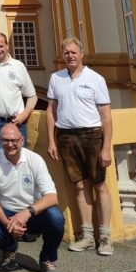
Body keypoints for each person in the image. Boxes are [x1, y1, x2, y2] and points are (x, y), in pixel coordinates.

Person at [46, 37, 114, 255]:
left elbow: (106, 117)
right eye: (66, 52)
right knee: (78, 185)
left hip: (92, 135)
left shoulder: (95, 79)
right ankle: (86, 235)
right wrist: (51, 140)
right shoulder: (56, 78)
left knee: (99, 185)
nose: (70, 56)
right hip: (66, 136)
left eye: (74, 52)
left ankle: (104, 236)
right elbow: (51, 111)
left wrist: (106, 147)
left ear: (81, 54)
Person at [0, 123, 65, 272]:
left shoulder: (35, 159)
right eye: (5, 140)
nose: (10, 144)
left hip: (32, 213)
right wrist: (8, 224)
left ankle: (47, 260)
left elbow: (52, 197)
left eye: (14, 140)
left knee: (56, 217)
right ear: (0, 141)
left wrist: (26, 212)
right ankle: (9, 250)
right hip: (6, 213)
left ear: (22, 140)